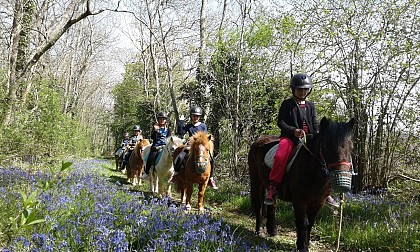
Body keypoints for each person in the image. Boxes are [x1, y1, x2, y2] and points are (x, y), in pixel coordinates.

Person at [264, 73, 338, 207]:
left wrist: (318, 135)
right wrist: (293, 130)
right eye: (300, 89)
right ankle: (273, 188)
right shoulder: (287, 104)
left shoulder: (311, 106)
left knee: (324, 157)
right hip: (290, 138)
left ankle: (326, 192)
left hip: (309, 138)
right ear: (293, 89)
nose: (303, 92)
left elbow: (314, 124)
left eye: (305, 89)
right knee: (280, 156)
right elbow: (281, 122)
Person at [170, 106, 218, 189]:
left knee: (212, 160)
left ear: (199, 117)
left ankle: (211, 178)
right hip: (190, 146)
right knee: (180, 157)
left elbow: (204, 137)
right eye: (194, 116)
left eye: (197, 116)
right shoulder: (189, 126)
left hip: (201, 147)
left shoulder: (203, 125)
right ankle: (176, 174)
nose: (195, 117)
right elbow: (180, 132)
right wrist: (181, 122)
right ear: (191, 116)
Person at [141, 112, 171, 179]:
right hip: (156, 146)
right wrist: (155, 131)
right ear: (158, 120)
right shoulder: (155, 127)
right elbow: (152, 137)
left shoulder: (167, 129)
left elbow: (169, 138)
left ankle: (173, 172)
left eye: (163, 119)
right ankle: (147, 172)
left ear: (165, 120)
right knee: (151, 156)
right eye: (160, 119)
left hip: (165, 147)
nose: (162, 120)